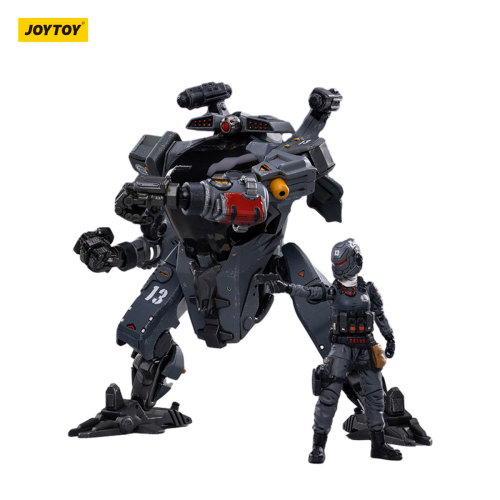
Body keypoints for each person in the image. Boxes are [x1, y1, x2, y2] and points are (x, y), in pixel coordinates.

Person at [263, 238, 402, 462]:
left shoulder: (368, 289)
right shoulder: (334, 290)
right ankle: (318, 447)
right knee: (328, 396)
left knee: (376, 398)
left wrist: (390, 337)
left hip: (366, 347)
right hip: (342, 348)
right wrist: (287, 288)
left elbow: (380, 316)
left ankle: (378, 445)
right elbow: (309, 293)